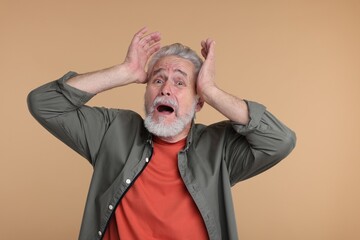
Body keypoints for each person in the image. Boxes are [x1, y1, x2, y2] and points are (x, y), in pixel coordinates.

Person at [27, 27, 296, 240]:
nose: (166, 89)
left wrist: (212, 91)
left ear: (198, 101)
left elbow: (279, 140)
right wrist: (124, 72)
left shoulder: (220, 148)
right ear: (146, 92)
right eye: (158, 80)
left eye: (180, 82)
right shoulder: (113, 130)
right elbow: (44, 104)